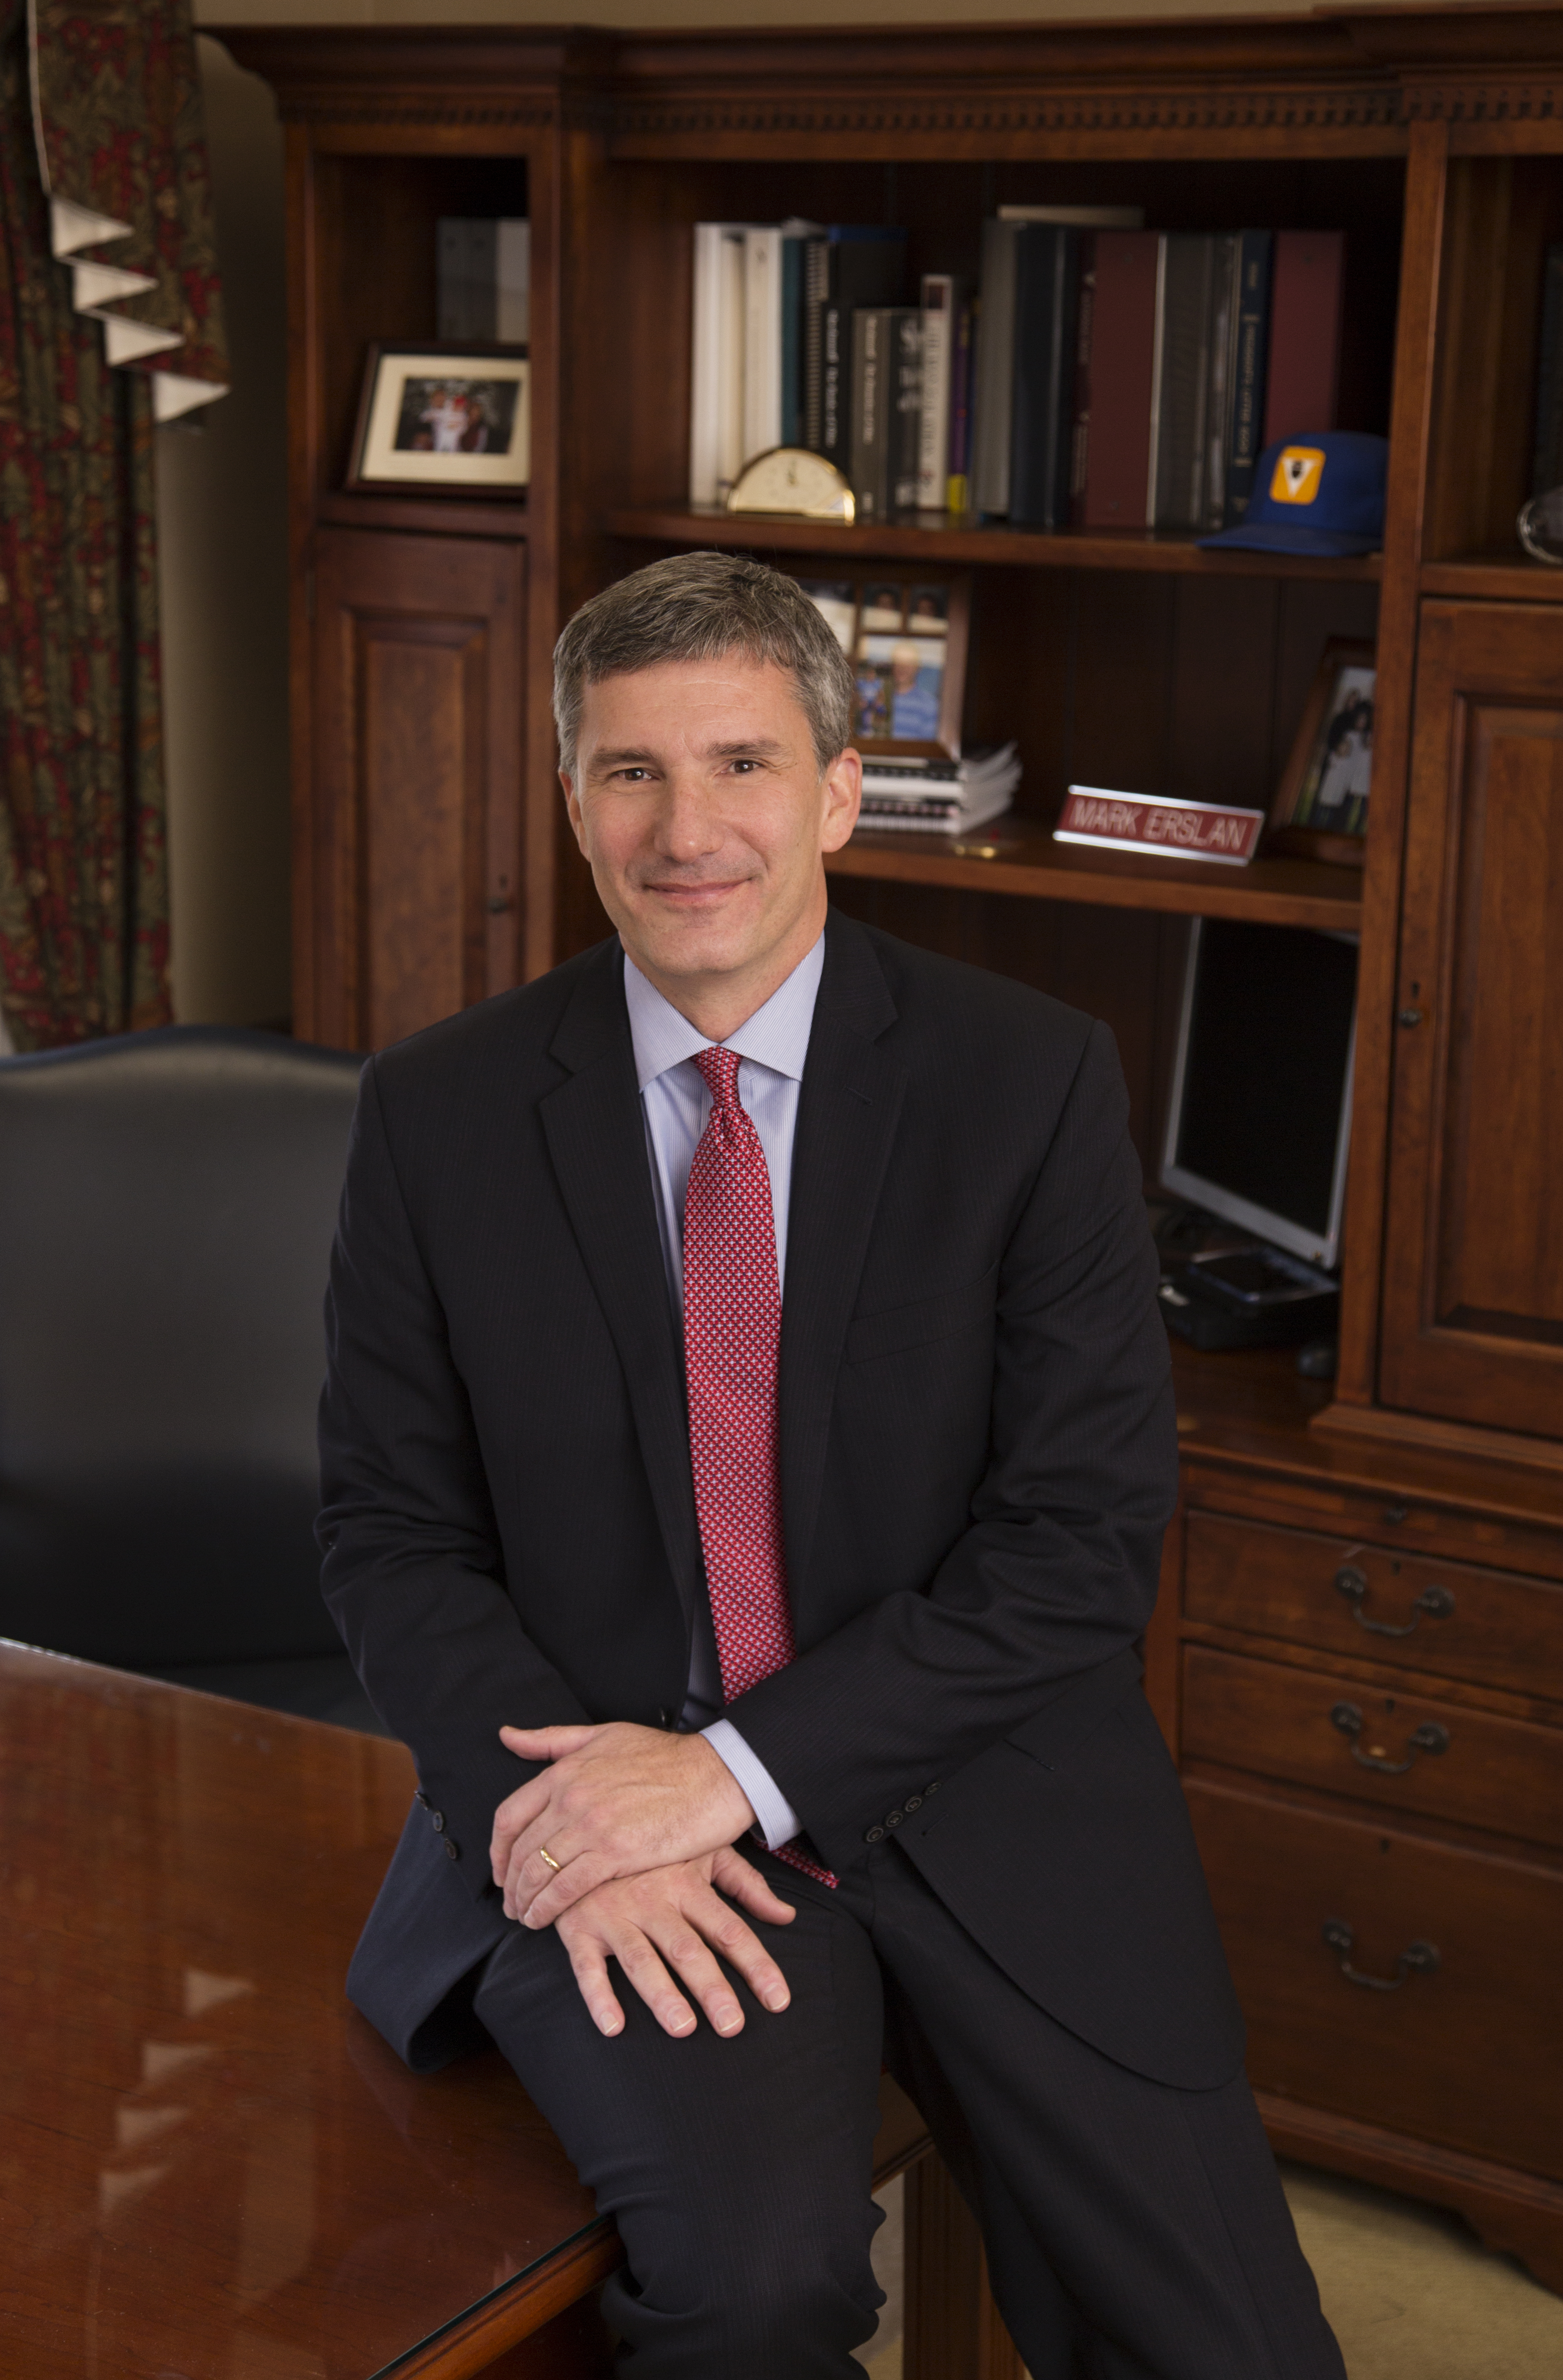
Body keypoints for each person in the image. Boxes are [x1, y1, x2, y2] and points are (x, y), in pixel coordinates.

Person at [317, 550, 1345, 2380]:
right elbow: (395, 1535)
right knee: (757, 2291)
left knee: (1233, 2347)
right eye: (630, 770)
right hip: (613, 1795)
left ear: (845, 792)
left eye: (741, 762)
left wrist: (731, 1770)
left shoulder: (1028, 1082)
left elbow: (1081, 1545)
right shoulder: (438, 1110)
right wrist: (585, 1818)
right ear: (571, 800)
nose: (684, 824)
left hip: (981, 1786)